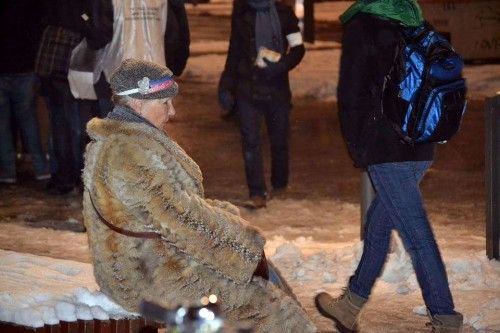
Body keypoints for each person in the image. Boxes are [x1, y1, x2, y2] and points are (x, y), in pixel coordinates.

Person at [82, 59, 316, 333]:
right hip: (144, 273)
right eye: (165, 103)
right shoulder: (128, 152)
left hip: (155, 258)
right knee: (264, 305)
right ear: (138, 104)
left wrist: (229, 221)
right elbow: (181, 219)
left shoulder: (130, 141)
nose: (172, 112)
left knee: (264, 274)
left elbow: (177, 208)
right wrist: (242, 245)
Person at [314, 1, 463, 333]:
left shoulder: (363, 25)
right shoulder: (415, 20)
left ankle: (446, 316)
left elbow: (351, 92)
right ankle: (350, 305)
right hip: (421, 142)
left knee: (416, 235)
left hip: (386, 146)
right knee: (379, 225)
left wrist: (358, 146)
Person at [219, 0, 305, 208]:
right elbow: (234, 50)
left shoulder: (284, 13)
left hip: (276, 88)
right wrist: (226, 84)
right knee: (250, 141)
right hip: (247, 87)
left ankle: (279, 185)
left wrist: (282, 65)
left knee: (279, 139)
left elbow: (298, 48)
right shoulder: (242, 12)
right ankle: (257, 192)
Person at [36, 0, 113, 193]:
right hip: (69, 59)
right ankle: (72, 176)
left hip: (51, 57)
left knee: (61, 120)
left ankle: (63, 176)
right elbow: (92, 28)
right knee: (72, 121)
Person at [0, 0, 50, 184]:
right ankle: (41, 168)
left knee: (2, 124)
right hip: (26, 65)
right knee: (29, 120)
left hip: (3, 66)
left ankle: (8, 171)